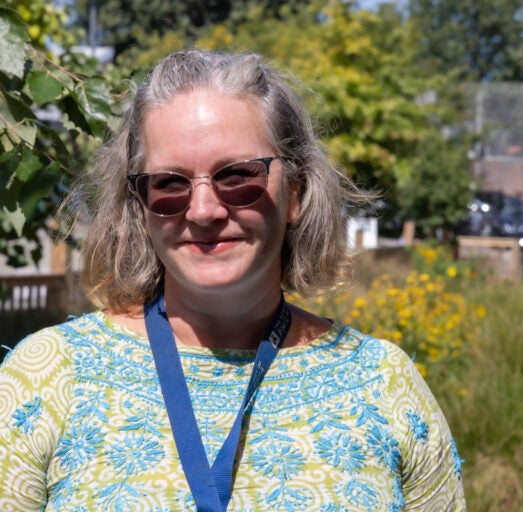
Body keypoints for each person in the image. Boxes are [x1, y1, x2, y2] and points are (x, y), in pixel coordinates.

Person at [0, 49, 465, 511]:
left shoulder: (383, 383)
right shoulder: (47, 377)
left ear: (296, 193)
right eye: (170, 183)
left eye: (237, 176)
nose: (203, 210)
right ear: (140, 204)